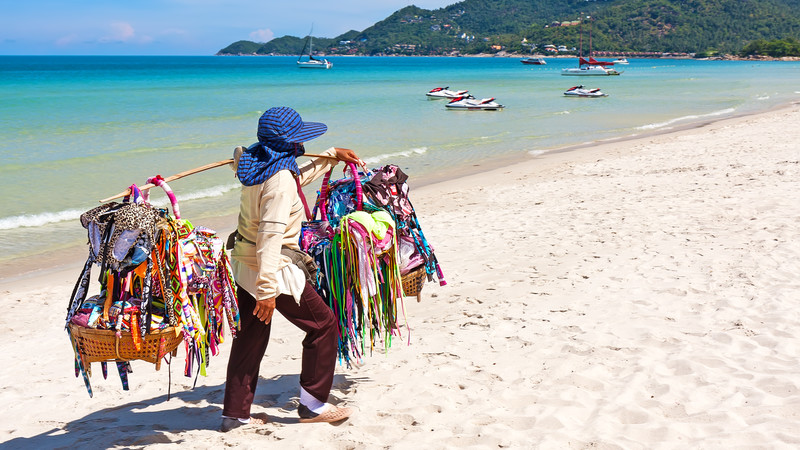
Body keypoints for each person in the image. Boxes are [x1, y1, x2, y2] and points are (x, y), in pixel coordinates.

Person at [221, 106, 363, 432]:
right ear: (287, 144)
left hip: (243, 264)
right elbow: (270, 236)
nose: (302, 145)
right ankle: (313, 405)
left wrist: (330, 156)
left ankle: (235, 414)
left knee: (250, 338)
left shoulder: (251, 162)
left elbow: (295, 175)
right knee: (324, 326)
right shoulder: (280, 180)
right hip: (272, 269)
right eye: (297, 140)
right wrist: (268, 293)